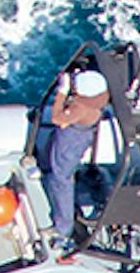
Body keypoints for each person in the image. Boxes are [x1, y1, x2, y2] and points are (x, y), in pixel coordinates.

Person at [37, 68, 111, 254]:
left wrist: (63, 92)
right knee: (55, 168)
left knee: (62, 179)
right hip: (78, 136)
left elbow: (57, 118)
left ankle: (63, 229)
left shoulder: (80, 108)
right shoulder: (98, 98)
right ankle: (48, 174)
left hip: (71, 140)